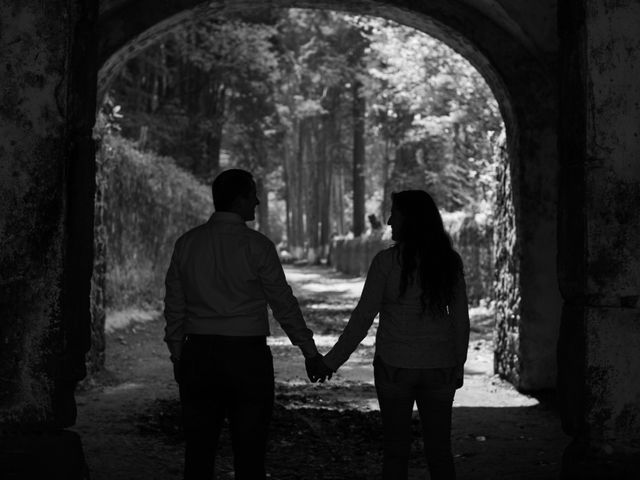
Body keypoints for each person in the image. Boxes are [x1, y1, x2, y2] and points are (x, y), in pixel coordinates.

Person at [163, 168, 329, 480]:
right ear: (239, 200)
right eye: (253, 195)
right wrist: (309, 352)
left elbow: (175, 306)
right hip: (247, 358)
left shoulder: (187, 244)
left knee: (198, 452)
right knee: (250, 453)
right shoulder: (258, 247)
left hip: (199, 355)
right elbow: (283, 304)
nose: (257, 201)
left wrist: (177, 354)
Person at [316, 190, 470, 480]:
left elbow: (362, 319)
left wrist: (330, 362)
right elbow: (460, 320)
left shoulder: (386, 262)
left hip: (395, 368)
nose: (388, 221)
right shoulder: (449, 261)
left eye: (394, 214)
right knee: (440, 452)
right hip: (439, 368)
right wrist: (457, 364)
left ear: (409, 220)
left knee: (396, 452)